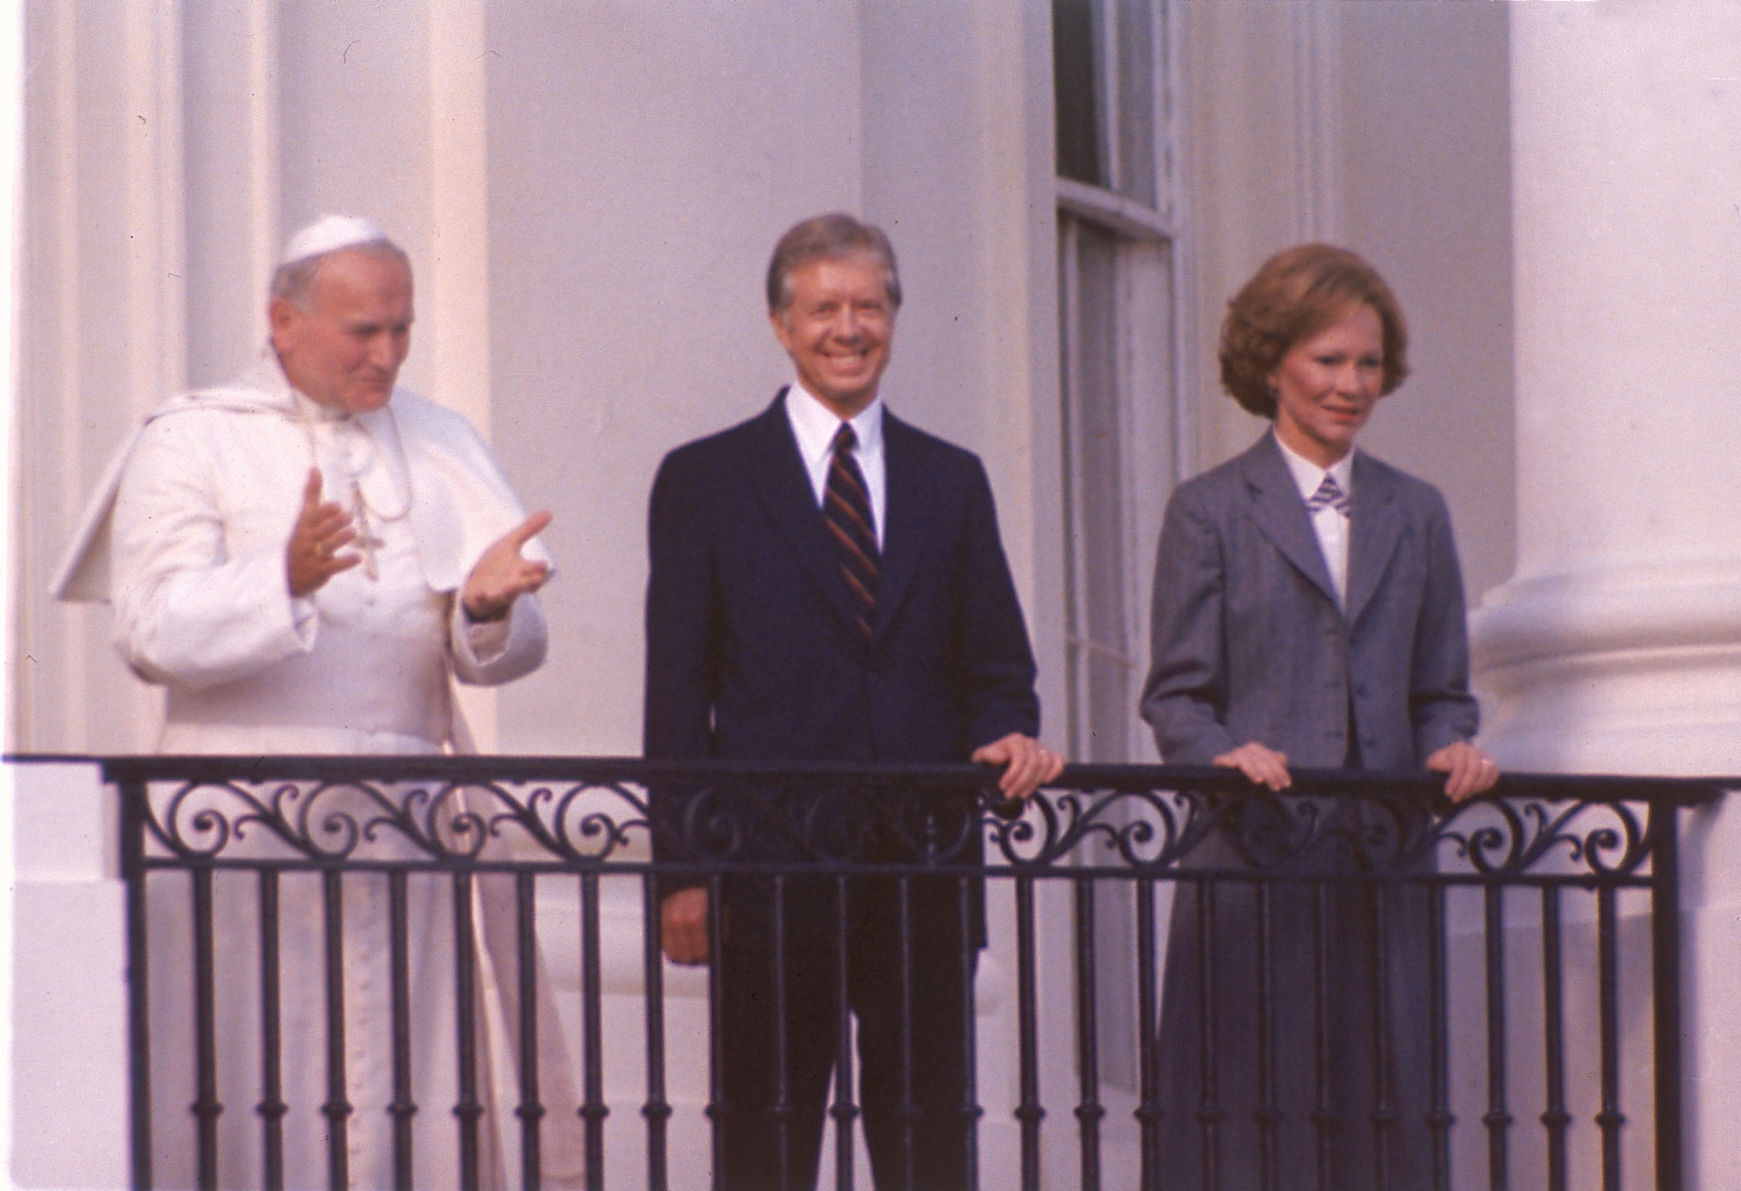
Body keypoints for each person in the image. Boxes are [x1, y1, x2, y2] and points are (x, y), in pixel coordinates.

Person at [53, 215, 571, 1189]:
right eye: (361, 332)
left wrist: (491, 609)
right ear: (282, 322)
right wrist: (279, 580)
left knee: (400, 1103)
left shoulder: (441, 437)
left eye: (401, 329)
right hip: (235, 840)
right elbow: (150, 630)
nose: (387, 355)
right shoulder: (192, 437)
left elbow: (503, 654)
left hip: (406, 836)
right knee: (246, 1092)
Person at [643, 212, 1063, 1190]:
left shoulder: (949, 479)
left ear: (894, 319)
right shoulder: (705, 478)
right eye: (824, 307)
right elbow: (676, 690)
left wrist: (1009, 732)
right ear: (781, 325)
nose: (847, 327)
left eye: (867, 306)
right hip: (767, 866)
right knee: (764, 1143)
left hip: (924, 864)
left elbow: (997, 660)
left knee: (928, 1151)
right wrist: (680, 872)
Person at [1138, 243, 1499, 1190]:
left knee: (1385, 1123)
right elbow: (1175, 695)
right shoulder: (1209, 510)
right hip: (1253, 862)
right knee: (1250, 1123)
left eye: (1368, 363)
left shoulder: (1416, 511)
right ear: (1270, 363)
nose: (1351, 384)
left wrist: (1449, 747)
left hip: (1383, 864)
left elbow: (1440, 689)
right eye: (1327, 359)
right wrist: (1221, 755)